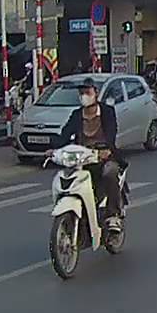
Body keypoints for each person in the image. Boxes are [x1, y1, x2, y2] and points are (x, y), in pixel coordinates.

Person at [53, 79, 124, 231]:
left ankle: (113, 215)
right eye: (81, 93)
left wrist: (107, 149)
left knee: (110, 172)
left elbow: (111, 133)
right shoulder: (76, 114)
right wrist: (53, 149)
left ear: (95, 93)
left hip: (103, 157)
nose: (84, 96)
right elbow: (65, 134)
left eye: (87, 92)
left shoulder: (107, 112)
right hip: (82, 159)